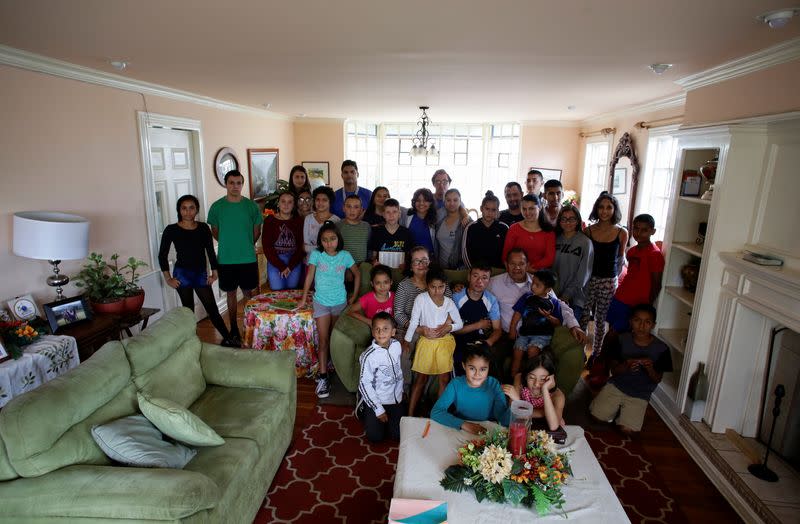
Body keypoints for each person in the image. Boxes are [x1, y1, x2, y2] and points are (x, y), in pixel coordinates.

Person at [488, 248, 587, 379]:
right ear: (506, 264)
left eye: (521, 264)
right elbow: (476, 292)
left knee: (546, 361)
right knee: (490, 356)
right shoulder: (494, 283)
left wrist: (574, 325)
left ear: (528, 265)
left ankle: (533, 394)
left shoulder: (540, 283)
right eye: (512, 264)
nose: (517, 267)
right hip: (508, 335)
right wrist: (458, 288)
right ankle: (501, 393)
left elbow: (560, 305)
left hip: (538, 335)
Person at [159, 194, 232, 346]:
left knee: (212, 308)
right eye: (184, 208)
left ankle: (228, 338)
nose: (188, 211)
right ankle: (190, 343)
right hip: (182, 275)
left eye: (191, 208)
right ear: (179, 210)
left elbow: (210, 251)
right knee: (188, 311)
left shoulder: (203, 228)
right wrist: (168, 278)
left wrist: (215, 272)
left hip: (200, 274)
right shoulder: (171, 229)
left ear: (196, 210)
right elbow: (162, 255)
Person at [299, 222, 361, 398]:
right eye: (324, 240)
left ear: (338, 239)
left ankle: (335, 368)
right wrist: (304, 298)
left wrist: (354, 296)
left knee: (335, 339)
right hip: (321, 302)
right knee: (324, 340)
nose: (329, 243)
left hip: (340, 303)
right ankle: (323, 376)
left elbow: (357, 274)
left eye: (332, 239)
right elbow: (309, 275)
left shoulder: (345, 255)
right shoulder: (316, 255)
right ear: (320, 241)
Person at [589, 304, 672, 434]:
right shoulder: (621, 340)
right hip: (617, 386)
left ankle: (622, 412)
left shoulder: (662, 349)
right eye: (637, 320)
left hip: (640, 393)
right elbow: (614, 372)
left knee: (627, 430)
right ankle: (612, 408)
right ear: (630, 322)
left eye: (647, 322)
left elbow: (657, 379)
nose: (641, 326)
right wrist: (626, 365)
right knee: (597, 418)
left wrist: (650, 368)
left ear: (653, 325)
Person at [207, 170, 263, 346]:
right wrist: (228, 243)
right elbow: (214, 231)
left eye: (238, 183)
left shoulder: (251, 206)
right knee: (230, 294)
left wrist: (245, 244)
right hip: (226, 260)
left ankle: (251, 328)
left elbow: (256, 231)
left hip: (247, 258)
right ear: (226, 184)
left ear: (242, 184)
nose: (235, 186)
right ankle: (233, 328)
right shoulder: (217, 207)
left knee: (249, 294)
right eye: (231, 182)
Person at [405, 268, 463, 417]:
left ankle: (438, 415)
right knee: (421, 378)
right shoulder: (421, 299)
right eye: (433, 287)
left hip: (444, 342)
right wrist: (406, 340)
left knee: (444, 378)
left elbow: (460, 323)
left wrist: (449, 327)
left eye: (441, 287)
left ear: (446, 286)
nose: (437, 291)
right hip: (427, 342)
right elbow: (413, 321)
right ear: (427, 285)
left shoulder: (449, 302)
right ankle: (410, 414)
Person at [581, 192, 629, 358]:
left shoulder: (622, 233)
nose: (605, 211)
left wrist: (613, 279)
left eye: (609, 207)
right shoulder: (588, 231)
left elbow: (620, 259)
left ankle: (596, 354)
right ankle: (580, 352)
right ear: (596, 209)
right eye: (601, 207)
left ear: (614, 210)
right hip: (589, 279)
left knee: (601, 320)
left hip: (609, 281)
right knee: (584, 316)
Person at [431, 343, 510, 433]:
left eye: (483, 369)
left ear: (488, 368)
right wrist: (463, 424)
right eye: (472, 368)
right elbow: (436, 412)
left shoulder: (494, 385)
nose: (477, 374)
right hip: (461, 429)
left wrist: (515, 403)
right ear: (464, 366)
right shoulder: (456, 384)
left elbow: (503, 420)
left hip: (486, 432)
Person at [607, 214, 664, 333]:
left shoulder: (655, 254)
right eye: (636, 229)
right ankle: (605, 352)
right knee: (611, 329)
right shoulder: (632, 251)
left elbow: (656, 283)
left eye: (644, 230)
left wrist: (648, 305)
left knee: (621, 333)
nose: (639, 233)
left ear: (652, 231)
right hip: (620, 297)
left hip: (637, 304)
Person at [357, 312, 404, 443]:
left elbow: (398, 370)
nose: (381, 332)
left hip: (395, 400)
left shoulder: (396, 346)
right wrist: (378, 409)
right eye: (377, 329)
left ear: (393, 332)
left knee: (398, 435)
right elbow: (364, 384)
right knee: (375, 438)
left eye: (385, 329)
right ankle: (366, 410)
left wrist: (401, 392)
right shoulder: (368, 356)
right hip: (378, 400)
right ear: (372, 332)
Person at [508, 269, 562, 377]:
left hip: (542, 335)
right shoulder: (527, 297)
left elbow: (558, 323)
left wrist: (548, 316)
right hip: (524, 333)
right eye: (533, 283)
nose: (533, 287)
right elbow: (518, 313)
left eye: (537, 285)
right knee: (517, 352)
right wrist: (513, 328)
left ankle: (529, 379)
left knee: (532, 351)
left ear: (548, 289)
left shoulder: (554, 303)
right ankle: (513, 379)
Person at [452, 264, 502, 375]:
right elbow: (454, 330)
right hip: (459, 341)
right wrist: (478, 325)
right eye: (475, 276)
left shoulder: (491, 300)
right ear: (469, 277)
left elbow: (497, 329)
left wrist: (488, 342)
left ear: (489, 281)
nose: (479, 281)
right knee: (460, 369)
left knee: (492, 368)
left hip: (481, 341)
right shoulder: (456, 297)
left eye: (484, 278)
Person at [502, 353, 565, 431]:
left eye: (542, 379)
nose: (536, 384)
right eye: (531, 377)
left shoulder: (557, 395)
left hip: (543, 429)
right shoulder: (520, 379)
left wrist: (545, 389)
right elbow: (513, 410)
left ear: (551, 379)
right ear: (526, 376)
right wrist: (544, 413)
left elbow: (554, 426)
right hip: (521, 425)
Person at [553, 204, 593, 321]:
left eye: (572, 219)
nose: (567, 222)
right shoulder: (555, 239)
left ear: (577, 221)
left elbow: (584, 275)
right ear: (559, 221)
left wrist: (567, 295)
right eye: (564, 219)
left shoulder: (585, 242)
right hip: (555, 294)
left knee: (570, 333)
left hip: (575, 297)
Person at [502, 194, 555, 273]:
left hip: (539, 275)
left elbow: (549, 258)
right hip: (515, 273)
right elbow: (505, 255)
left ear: (540, 208)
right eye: (524, 209)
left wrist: (529, 268)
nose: (527, 212)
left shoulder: (548, 231)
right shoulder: (514, 229)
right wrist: (517, 269)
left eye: (531, 208)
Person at [262, 191, 304, 290]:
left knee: (292, 291)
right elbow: (267, 247)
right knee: (277, 291)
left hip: (294, 261)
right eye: (283, 201)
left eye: (290, 202)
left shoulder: (299, 221)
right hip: (275, 261)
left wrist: (290, 266)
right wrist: (281, 266)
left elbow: (301, 246)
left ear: (294, 205)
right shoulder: (270, 221)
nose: (286, 205)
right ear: (278, 203)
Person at [462, 191, 508, 269]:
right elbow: (465, 252)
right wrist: (473, 271)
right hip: (477, 272)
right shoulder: (471, 228)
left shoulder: (504, 228)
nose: (489, 212)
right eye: (487, 209)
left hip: (498, 272)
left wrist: (503, 269)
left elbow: (508, 251)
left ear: (497, 211)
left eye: (493, 210)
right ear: (481, 208)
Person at [368, 198, 412, 269]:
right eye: (388, 212)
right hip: (382, 270)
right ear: (383, 215)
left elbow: (409, 256)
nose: (391, 215)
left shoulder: (406, 233)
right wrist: (374, 262)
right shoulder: (377, 232)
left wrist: (406, 264)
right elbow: (373, 256)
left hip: (400, 270)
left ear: (399, 214)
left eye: (394, 212)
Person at [436, 188, 472, 270]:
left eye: (455, 200)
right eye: (448, 200)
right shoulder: (439, 221)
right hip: (441, 269)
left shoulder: (466, 222)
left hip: (459, 269)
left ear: (460, 202)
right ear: (444, 202)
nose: (452, 203)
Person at [303, 186, 340, 256]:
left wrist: (313, 247)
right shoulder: (308, 219)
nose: (320, 203)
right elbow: (306, 247)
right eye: (318, 199)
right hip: (311, 261)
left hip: (330, 262)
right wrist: (326, 247)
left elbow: (337, 246)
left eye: (324, 200)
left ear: (330, 202)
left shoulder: (336, 220)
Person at [337, 195, 371, 265]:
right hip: (342, 266)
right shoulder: (337, 226)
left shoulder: (366, 226)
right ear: (343, 208)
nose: (352, 210)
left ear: (361, 209)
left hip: (361, 266)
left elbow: (369, 247)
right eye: (349, 206)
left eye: (356, 207)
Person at [401, 188, 437, 255]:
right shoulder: (406, 214)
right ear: (414, 202)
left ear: (431, 203)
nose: (421, 203)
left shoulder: (436, 218)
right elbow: (391, 206)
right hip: (411, 258)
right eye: (418, 200)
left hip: (431, 258)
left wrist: (463, 212)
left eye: (425, 200)